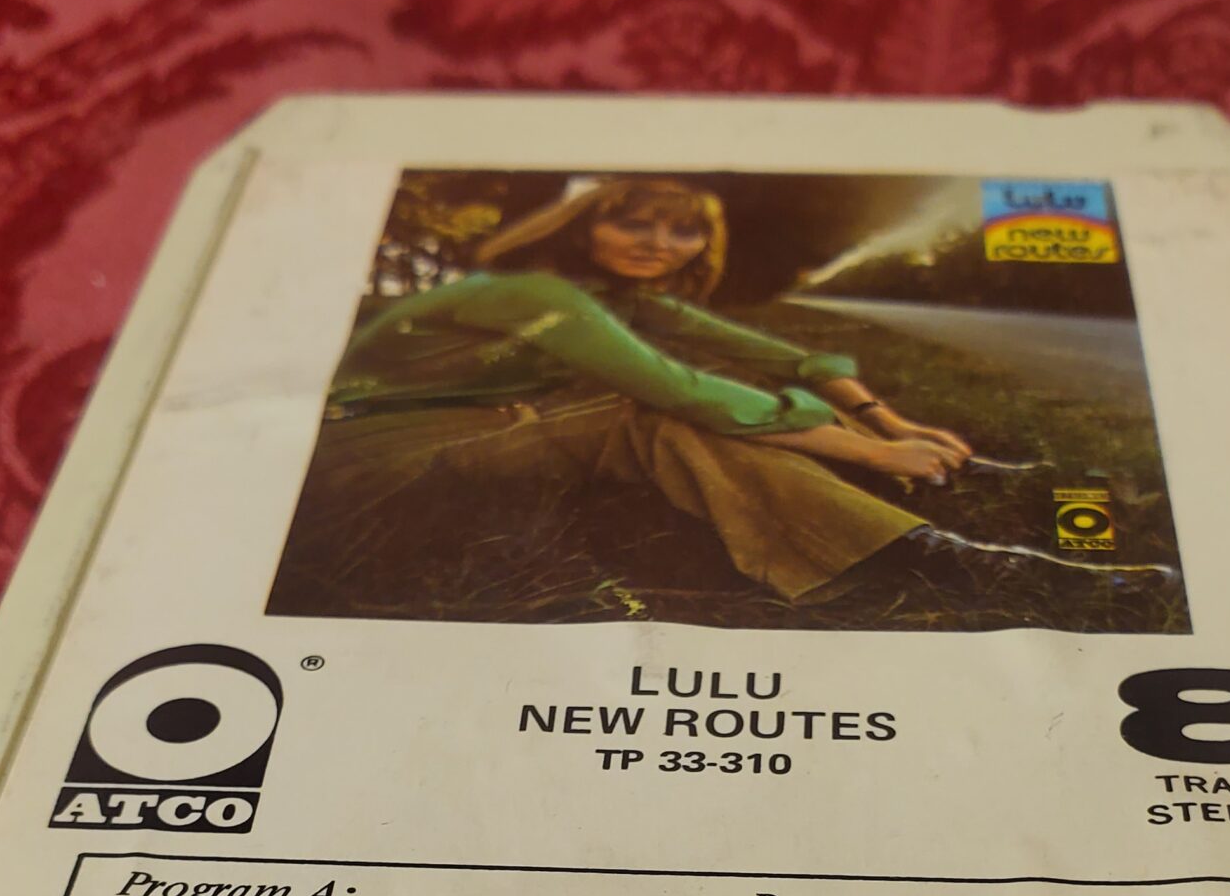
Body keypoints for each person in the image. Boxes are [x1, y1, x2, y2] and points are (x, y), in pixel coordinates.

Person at [299, 176, 1119, 606]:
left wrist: (886, 417)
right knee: (666, 416)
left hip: (482, 431)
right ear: (584, 227)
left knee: (710, 404)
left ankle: (926, 493)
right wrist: (870, 447)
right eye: (633, 222)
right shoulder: (532, 291)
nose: (660, 242)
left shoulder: (616, 296)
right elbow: (686, 392)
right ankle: (936, 557)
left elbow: (784, 356)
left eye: (682, 228)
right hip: (367, 459)